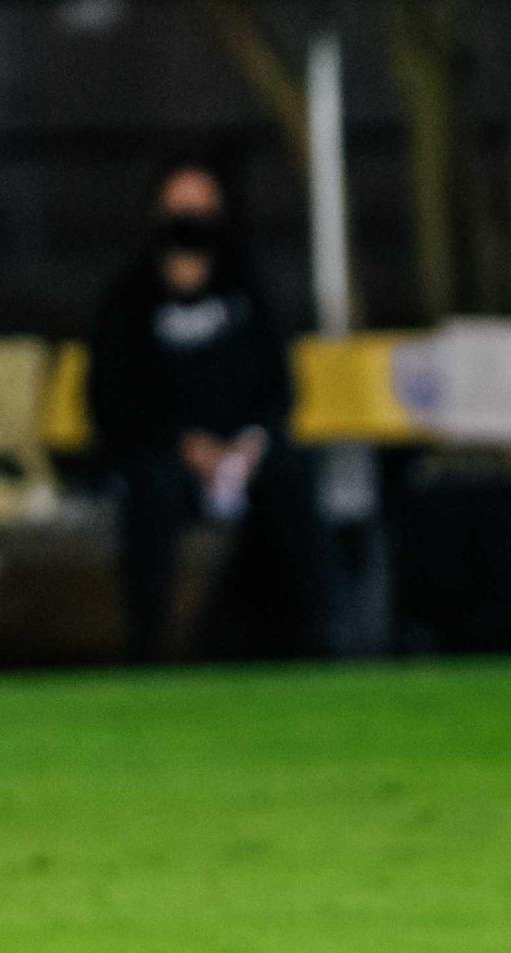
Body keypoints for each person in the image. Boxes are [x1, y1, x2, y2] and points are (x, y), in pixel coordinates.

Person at [88, 158, 327, 662]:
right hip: (168, 457)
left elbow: (278, 386)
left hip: (244, 454)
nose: (192, 220)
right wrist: (183, 444)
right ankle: (151, 652)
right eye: (181, 208)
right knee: (150, 490)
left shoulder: (249, 290)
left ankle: (313, 646)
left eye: (203, 208)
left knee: (293, 477)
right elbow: (113, 396)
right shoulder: (128, 299)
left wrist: (249, 441)